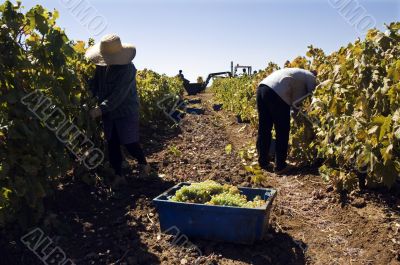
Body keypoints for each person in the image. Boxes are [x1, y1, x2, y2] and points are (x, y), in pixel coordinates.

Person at [85, 34, 150, 188]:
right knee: (112, 143)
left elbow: (118, 95)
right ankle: (119, 175)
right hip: (108, 111)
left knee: (129, 142)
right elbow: (95, 84)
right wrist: (88, 92)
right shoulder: (101, 66)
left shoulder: (128, 69)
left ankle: (143, 164)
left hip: (126, 110)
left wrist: (100, 109)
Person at [256, 68, 317, 175]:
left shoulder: (298, 74)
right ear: (315, 74)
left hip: (262, 89)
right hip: (277, 93)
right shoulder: (311, 77)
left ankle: (263, 162)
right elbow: (314, 98)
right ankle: (280, 166)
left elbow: (295, 104)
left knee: (264, 128)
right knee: (282, 130)